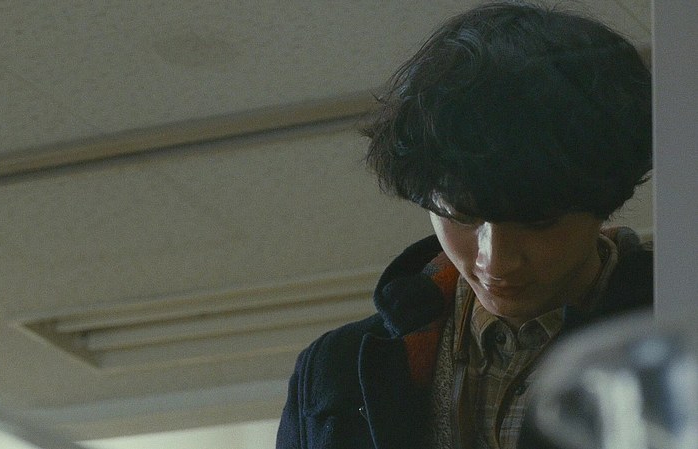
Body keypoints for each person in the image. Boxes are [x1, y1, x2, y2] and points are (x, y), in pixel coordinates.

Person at [276, 2, 652, 448]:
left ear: (604, 200)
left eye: (538, 223)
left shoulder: (675, 330)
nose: (496, 261)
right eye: (460, 216)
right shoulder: (334, 370)